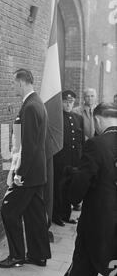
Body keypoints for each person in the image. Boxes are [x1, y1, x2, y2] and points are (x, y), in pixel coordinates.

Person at [45, 103, 117, 276]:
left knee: (83, 265)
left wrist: (71, 191)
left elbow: (82, 182)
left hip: (99, 219)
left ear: (97, 120)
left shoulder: (96, 144)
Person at [0, 69, 51, 269]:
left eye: (14, 84)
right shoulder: (36, 102)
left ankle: (17, 255)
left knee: (8, 210)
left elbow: (29, 146)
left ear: (21, 83)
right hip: (36, 173)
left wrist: (19, 173)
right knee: (35, 214)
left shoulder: (30, 106)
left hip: (28, 174)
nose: (13, 87)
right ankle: (38, 255)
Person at [52, 91, 85, 227]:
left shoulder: (78, 118)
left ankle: (66, 215)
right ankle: (56, 215)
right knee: (58, 189)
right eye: (65, 101)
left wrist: (81, 159)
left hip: (74, 161)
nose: (68, 104)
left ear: (74, 102)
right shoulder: (56, 118)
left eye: (71, 102)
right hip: (60, 161)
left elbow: (81, 141)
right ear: (61, 102)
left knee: (69, 189)